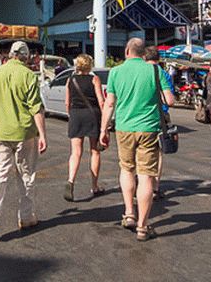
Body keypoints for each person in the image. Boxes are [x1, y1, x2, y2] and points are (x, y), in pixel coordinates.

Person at [100, 37, 174, 242]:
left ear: (126, 52)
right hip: (149, 128)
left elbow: (109, 104)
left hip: (124, 128)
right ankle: (143, 226)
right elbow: (169, 100)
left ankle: (129, 213)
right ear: (143, 53)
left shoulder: (115, 72)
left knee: (126, 169)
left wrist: (103, 130)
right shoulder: (155, 71)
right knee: (147, 176)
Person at [0, 41, 47, 239]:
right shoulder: (28, 76)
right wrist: (42, 134)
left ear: (10, 55)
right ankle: (26, 218)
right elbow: (36, 108)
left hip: (0, 132)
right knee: (26, 175)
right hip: (25, 133)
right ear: (25, 56)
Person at [64, 53, 105, 201]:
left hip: (76, 115)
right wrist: (105, 122)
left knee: (75, 152)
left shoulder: (70, 80)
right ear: (89, 65)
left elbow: (67, 103)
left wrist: (72, 115)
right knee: (95, 151)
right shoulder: (94, 79)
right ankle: (94, 186)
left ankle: (70, 181)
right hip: (92, 115)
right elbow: (101, 101)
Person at [143, 46, 173, 200]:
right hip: (160, 115)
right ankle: (155, 186)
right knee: (158, 152)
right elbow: (170, 99)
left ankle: (141, 183)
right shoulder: (164, 74)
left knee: (139, 152)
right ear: (159, 59)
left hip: (140, 116)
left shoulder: (139, 73)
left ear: (144, 58)